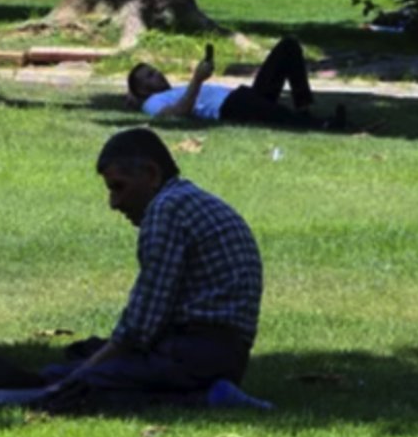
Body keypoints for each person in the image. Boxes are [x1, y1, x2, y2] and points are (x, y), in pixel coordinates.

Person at [38, 128, 270, 413]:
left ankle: (208, 398)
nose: (114, 203)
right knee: (83, 355)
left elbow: (140, 326)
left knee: (82, 388)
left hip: (196, 353)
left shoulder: (166, 210)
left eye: (118, 187)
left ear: (151, 174)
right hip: (220, 351)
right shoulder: (187, 200)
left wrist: (81, 375)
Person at [126, 36, 345, 131]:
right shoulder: (152, 103)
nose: (158, 75)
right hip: (230, 106)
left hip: (244, 96)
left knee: (288, 47)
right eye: (149, 76)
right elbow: (176, 114)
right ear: (142, 89)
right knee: (280, 117)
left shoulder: (172, 90)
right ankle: (322, 125)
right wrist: (197, 79)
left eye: (155, 71)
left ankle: (304, 107)